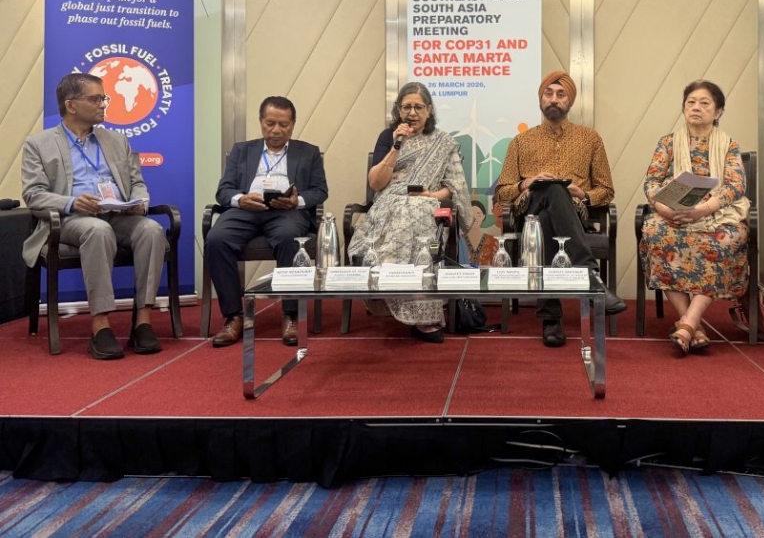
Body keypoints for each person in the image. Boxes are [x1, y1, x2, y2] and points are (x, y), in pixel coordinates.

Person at [21, 72, 167, 360]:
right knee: (98, 231)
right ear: (71, 105)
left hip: (118, 213)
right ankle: (101, 326)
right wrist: (72, 202)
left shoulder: (116, 140)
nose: (103, 104)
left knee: (152, 229)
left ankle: (143, 322)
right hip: (71, 219)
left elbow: (137, 182)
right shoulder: (38, 144)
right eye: (96, 98)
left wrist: (141, 201)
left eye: (104, 98)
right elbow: (34, 194)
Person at [494, 70, 627, 348]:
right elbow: (502, 192)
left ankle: (551, 318)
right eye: (548, 94)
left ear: (570, 101)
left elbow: (607, 190)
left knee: (552, 204)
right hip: (526, 212)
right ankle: (591, 278)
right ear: (540, 99)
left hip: (574, 213)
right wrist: (526, 183)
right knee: (549, 190)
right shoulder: (521, 141)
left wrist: (584, 194)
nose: (554, 99)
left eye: (560, 94)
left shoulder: (590, 139)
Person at [346, 81, 473, 343]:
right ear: (398, 110)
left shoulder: (443, 142)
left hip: (426, 203)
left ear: (429, 110)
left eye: (418, 107)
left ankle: (420, 311)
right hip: (389, 203)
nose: (412, 113)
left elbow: (454, 185)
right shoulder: (388, 137)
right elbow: (376, 184)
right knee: (402, 211)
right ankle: (413, 310)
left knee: (415, 212)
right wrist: (395, 147)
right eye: (406, 107)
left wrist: (432, 195)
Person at [205, 96, 328, 348]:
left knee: (290, 239)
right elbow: (224, 190)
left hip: (286, 212)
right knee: (216, 240)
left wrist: (298, 201)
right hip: (247, 210)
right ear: (261, 122)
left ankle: (291, 315)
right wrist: (241, 199)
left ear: (293, 125)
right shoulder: (242, 150)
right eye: (270, 123)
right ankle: (233, 317)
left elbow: (320, 190)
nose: (276, 130)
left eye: (283, 124)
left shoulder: (308, 152)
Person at [638, 80, 750, 354]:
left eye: (704, 103)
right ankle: (693, 325)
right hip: (672, 212)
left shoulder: (729, 145)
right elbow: (651, 182)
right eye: (691, 102)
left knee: (725, 239)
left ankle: (688, 322)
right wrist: (663, 208)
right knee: (655, 233)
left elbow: (736, 186)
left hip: (715, 214)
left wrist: (703, 209)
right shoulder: (668, 143)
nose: (696, 108)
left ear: (718, 111)